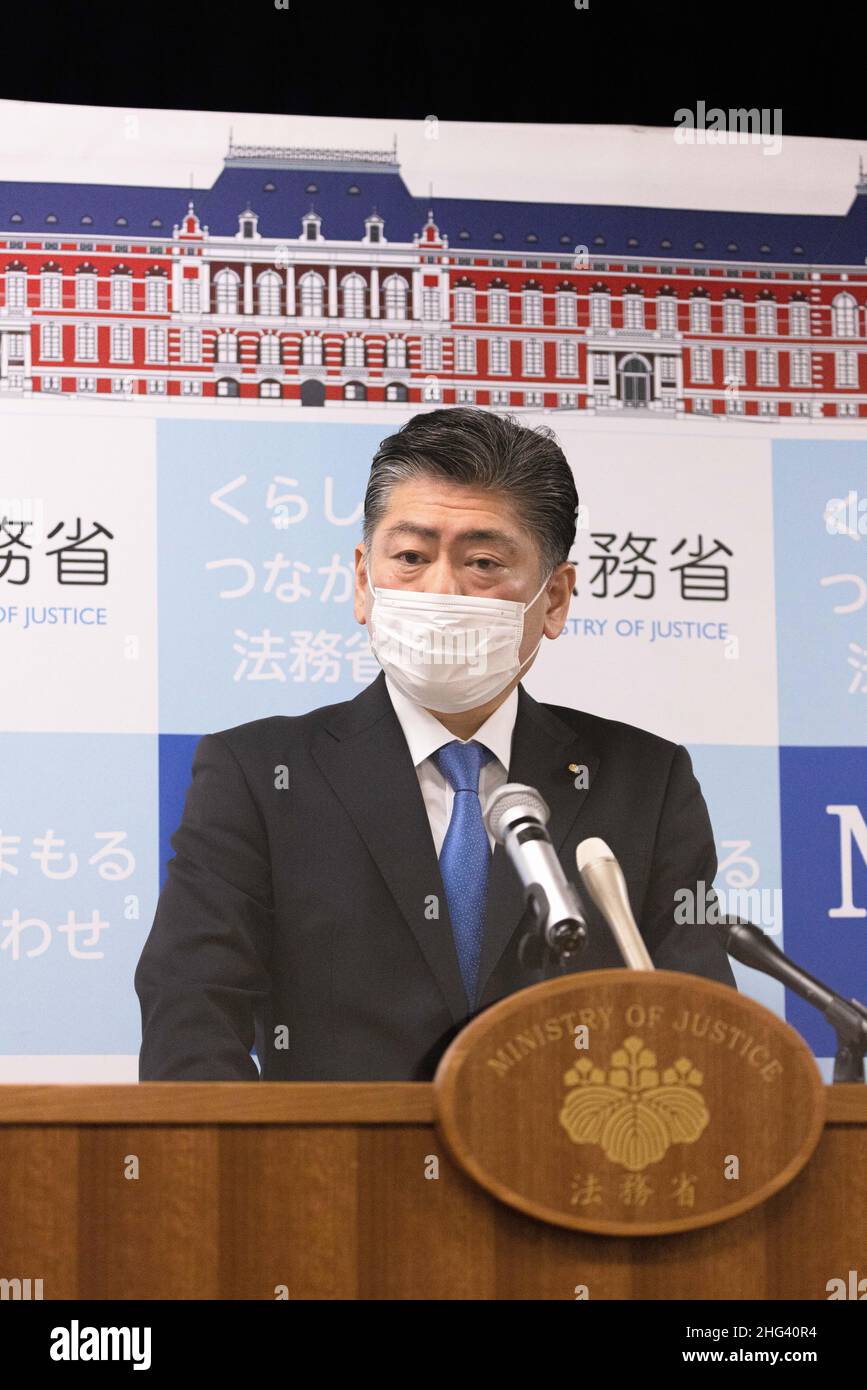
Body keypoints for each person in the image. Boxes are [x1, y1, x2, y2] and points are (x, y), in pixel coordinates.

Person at [135, 407, 736, 1081]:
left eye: (482, 561)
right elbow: (191, 1014)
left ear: (556, 598)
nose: (442, 590)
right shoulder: (257, 773)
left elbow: (699, 1021)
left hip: (572, 1176)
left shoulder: (645, 782)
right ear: (363, 580)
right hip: (331, 1179)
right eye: (411, 558)